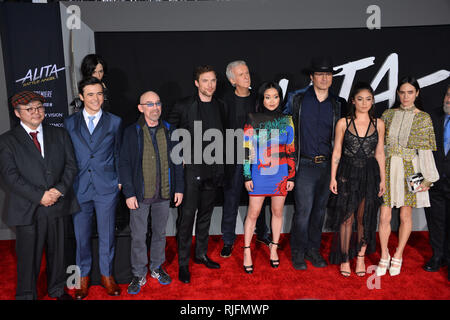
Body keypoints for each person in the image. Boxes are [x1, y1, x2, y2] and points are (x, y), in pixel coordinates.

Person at [0, 91, 79, 300]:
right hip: (28, 208)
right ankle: (26, 295)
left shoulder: (59, 134)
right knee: (28, 256)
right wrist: (40, 196)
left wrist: (58, 190)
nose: (36, 112)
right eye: (29, 109)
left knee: (59, 252)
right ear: (18, 113)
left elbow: (71, 166)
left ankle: (57, 289)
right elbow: (9, 177)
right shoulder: (7, 141)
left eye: (39, 107)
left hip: (58, 204)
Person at [284, 56, 347, 270]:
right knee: (303, 211)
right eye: (319, 74)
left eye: (328, 74)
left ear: (332, 78)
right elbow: (283, 129)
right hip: (304, 165)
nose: (323, 78)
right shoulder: (297, 99)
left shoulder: (338, 104)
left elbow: (343, 138)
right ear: (312, 77)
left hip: (328, 166)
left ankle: (313, 250)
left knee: (320, 211)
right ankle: (298, 252)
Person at [119, 91, 184, 294]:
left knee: (160, 234)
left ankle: (156, 268)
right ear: (141, 108)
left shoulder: (170, 130)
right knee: (138, 236)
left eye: (157, 103)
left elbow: (177, 163)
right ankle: (138, 273)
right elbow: (124, 164)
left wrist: (179, 188)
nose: (154, 107)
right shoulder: (132, 132)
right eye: (149, 104)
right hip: (140, 195)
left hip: (163, 194)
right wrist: (129, 193)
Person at [64, 76, 122, 298]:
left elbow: (118, 152)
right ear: (81, 97)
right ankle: (83, 278)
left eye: (99, 93)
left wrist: (118, 181)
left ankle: (107, 276)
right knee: (81, 237)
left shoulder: (114, 121)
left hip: (106, 188)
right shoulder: (70, 123)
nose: (95, 98)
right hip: (79, 188)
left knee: (107, 235)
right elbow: (67, 156)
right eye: (90, 94)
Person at [167, 65, 224, 284]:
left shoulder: (220, 106)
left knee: (205, 216)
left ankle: (200, 254)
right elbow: (169, 132)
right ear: (196, 83)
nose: (210, 85)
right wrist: (177, 155)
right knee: (186, 219)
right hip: (190, 172)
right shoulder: (183, 106)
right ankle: (183, 264)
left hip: (213, 170)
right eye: (205, 81)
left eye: (213, 80)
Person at [377, 76, 439, 277]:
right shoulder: (387, 114)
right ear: (397, 93)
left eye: (410, 92)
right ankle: (384, 254)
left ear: (417, 93)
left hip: (413, 170)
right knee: (384, 215)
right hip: (387, 167)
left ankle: (399, 254)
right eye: (402, 92)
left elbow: (426, 151)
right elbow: (379, 146)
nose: (405, 96)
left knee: (405, 215)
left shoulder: (423, 118)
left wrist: (428, 178)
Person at [327, 82, 386, 277]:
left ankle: (360, 257)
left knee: (364, 217)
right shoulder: (344, 123)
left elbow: (379, 153)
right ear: (353, 101)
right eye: (360, 99)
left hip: (370, 174)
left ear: (373, 101)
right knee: (346, 218)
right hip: (347, 171)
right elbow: (336, 151)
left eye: (368, 99)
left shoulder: (379, 123)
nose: (364, 103)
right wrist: (333, 177)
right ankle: (344, 258)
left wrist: (383, 180)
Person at [242, 81, 295, 273]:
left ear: (280, 98)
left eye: (275, 97)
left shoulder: (287, 120)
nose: (272, 101)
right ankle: (247, 251)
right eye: (267, 97)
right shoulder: (252, 118)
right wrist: (247, 175)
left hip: (280, 173)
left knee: (278, 212)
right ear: (261, 99)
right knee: (253, 213)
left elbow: (291, 150)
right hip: (258, 172)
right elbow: (246, 150)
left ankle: (273, 248)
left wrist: (291, 177)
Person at [220, 60, 271, 258]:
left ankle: (262, 233)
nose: (246, 76)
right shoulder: (224, 102)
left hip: (257, 159)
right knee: (231, 200)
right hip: (233, 160)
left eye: (247, 73)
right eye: (241, 74)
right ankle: (228, 240)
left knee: (259, 200)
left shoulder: (258, 100)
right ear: (232, 80)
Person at [423, 84, 450, 281]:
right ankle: (437, 256)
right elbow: (418, 151)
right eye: (448, 95)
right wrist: (419, 182)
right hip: (434, 182)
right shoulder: (431, 117)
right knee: (436, 222)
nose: (448, 99)